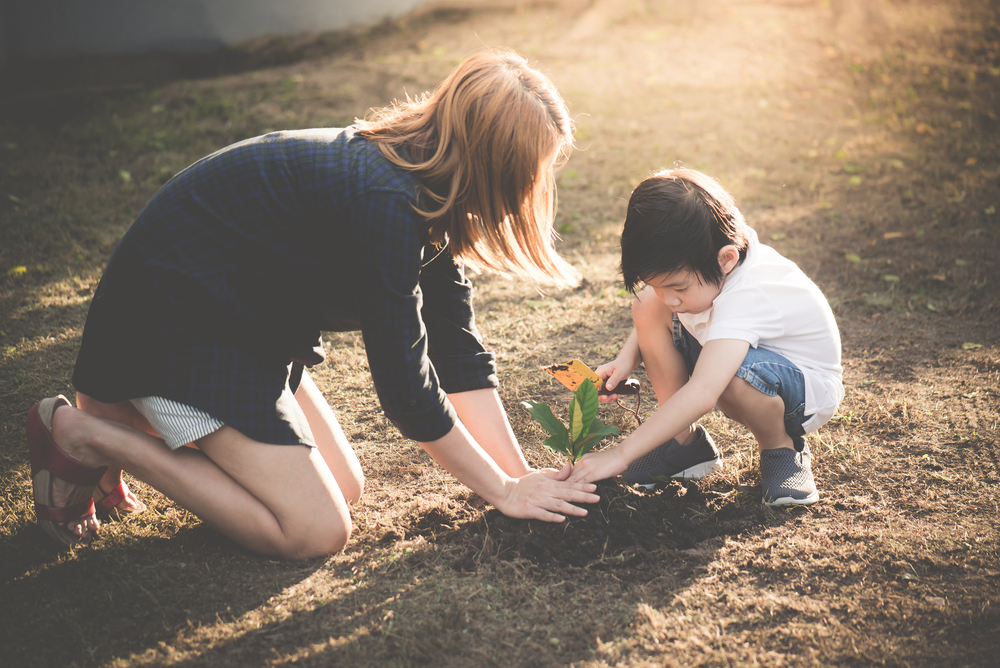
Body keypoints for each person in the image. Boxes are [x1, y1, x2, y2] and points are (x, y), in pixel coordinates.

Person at [26, 48, 600, 557]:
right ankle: (88, 434)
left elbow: (458, 358)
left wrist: (521, 478)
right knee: (314, 532)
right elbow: (408, 391)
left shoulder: (428, 189)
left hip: (243, 326)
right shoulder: (388, 201)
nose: (529, 192)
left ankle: (122, 424)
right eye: (529, 174)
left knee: (344, 488)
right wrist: (500, 492)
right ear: (492, 166)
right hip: (172, 328)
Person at [568, 169, 843, 506]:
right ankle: (685, 444)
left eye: (677, 288)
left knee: (735, 377)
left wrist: (621, 454)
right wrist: (628, 357)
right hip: (745, 360)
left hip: (801, 392)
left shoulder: (750, 294)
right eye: (655, 283)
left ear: (725, 259)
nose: (668, 298)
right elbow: (660, 301)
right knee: (646, 307)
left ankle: (781, 450)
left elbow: (702, 393)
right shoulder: (711, 267)